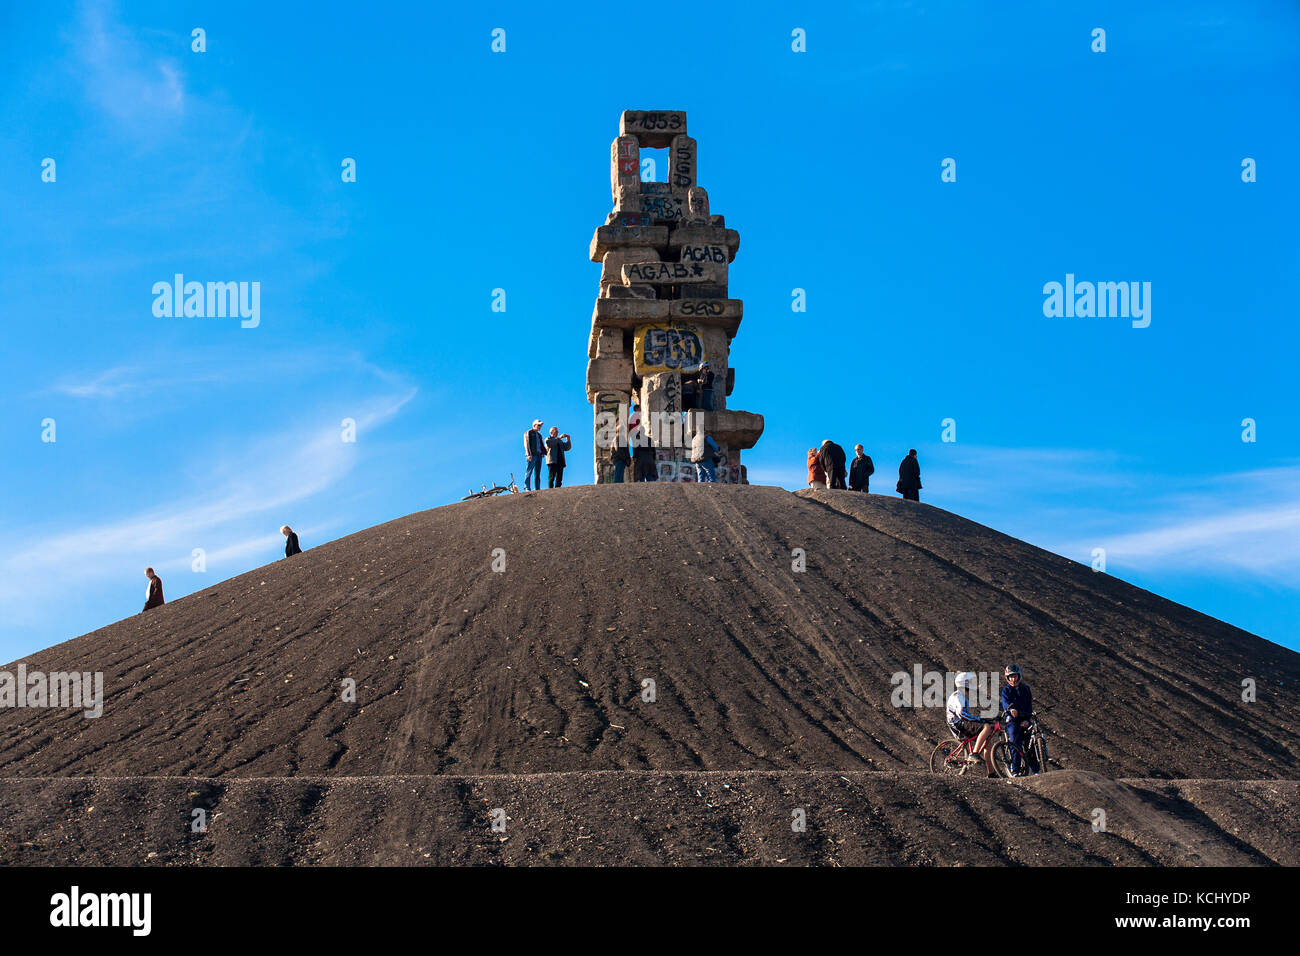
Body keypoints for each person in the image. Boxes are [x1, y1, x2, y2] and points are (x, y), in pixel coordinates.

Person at [946, 672, 997, 777]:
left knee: (987, 742)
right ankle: (973, 754)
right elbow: (962, 715)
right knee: (986, 727)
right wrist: (979, 719)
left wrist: (980, 719)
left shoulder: (962, 696)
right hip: (957, 724)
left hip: (960, 723)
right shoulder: (958, 696)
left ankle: (991, 773)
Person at [1000, 664, 1038, 776]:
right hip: (1013, 720)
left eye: (1015, 676)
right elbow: (1005, 703)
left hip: (1025, 718)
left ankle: (1036, 770)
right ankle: (1015, 770)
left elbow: (1029, 705)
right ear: (1007, 678)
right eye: (1010, 677)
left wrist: (1027, 719)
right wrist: (1011, 709)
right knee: (1015, 742)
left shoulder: (1026, 689)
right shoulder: (1006, 690)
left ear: (1019, 676)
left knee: (1030, 744)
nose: (1013, 679)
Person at [523, 419, 546, 491]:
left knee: (537, 473)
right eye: (538, 425)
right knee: (529, 471)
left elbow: (541, 444)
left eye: (540, 426)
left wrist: (543, 453)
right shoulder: (529, 432)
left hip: (539, 455)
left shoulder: (539, 435)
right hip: (532, 455)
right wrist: (528, 454)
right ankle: (527, 487)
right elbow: (526, 443)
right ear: (534, 425)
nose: (540, 427)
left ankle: (537, 488)